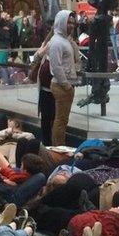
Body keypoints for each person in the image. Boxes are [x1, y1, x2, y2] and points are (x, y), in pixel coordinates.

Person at [48, 11, 79, 146]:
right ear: (61, 22)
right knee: (60, 121)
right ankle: (59, 148)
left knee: (62, 120)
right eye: (68, 22)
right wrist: (66, 85)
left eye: (73, 22)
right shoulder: (56, 42)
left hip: (65, 85)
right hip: (61, 86)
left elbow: (75, 58)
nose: (71, 25)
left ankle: (59, 146)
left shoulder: (65, 40)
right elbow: (56, 66)